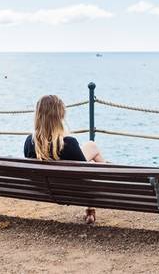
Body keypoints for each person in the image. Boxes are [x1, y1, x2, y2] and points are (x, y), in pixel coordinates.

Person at [24, 95, 106, 224]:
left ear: (38, 116)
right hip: (70, 190)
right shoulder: (69, 143)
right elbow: (84, 172)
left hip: (44, 189)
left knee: (90, 148)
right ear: (60, 117)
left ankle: (91, 209)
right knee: (92, 147)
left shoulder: (30, 142)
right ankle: (91, 207)